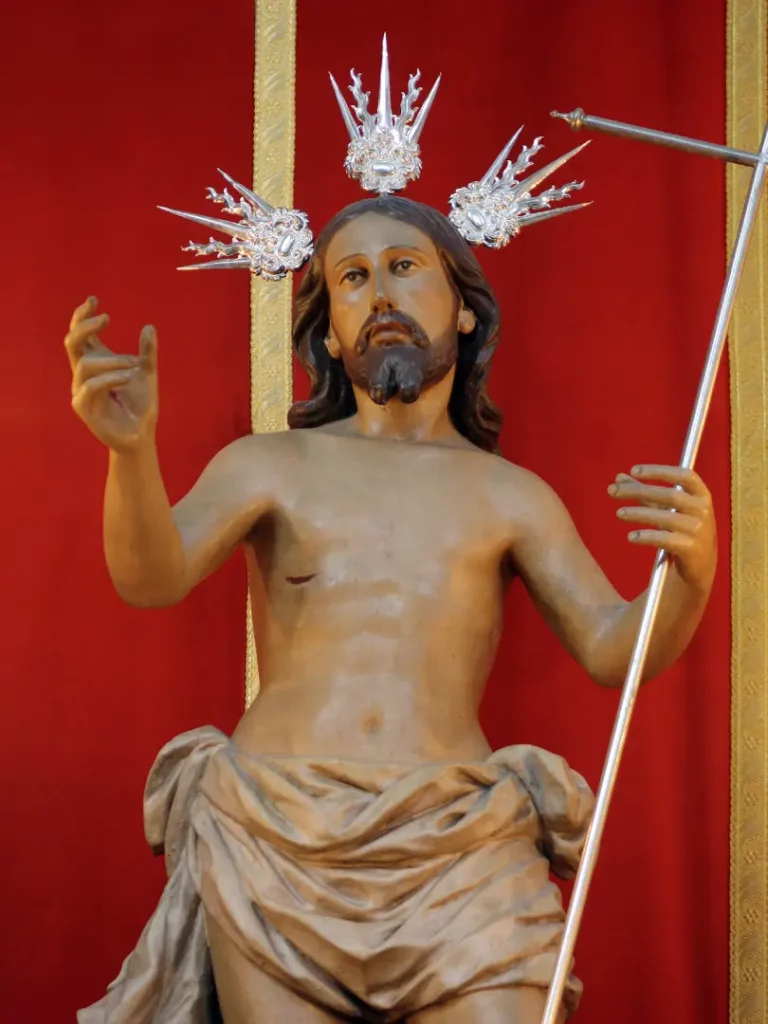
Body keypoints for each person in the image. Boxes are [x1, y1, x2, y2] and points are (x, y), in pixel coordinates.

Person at [71, 195, 717, 1024]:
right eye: (352, 278)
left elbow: (611, 648)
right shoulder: (269, 466)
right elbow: (153, 576)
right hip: (279, 832)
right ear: (330, 333)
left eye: (404, 267)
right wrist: (131, 457)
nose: (379, 293)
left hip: (462, 845)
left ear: (465, 310)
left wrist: (690, 576)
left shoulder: (510, 496)